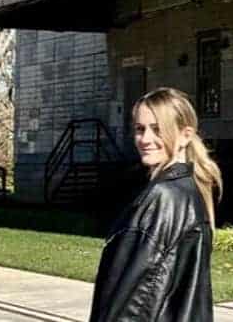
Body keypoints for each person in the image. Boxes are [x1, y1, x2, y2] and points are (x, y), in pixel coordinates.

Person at [89, 87, 222, 322]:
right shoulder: (189, 191)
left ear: (185, 135)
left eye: (158, 130)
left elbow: (135, 300)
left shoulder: (164, 197)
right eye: (140, 129)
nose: (145, 139)